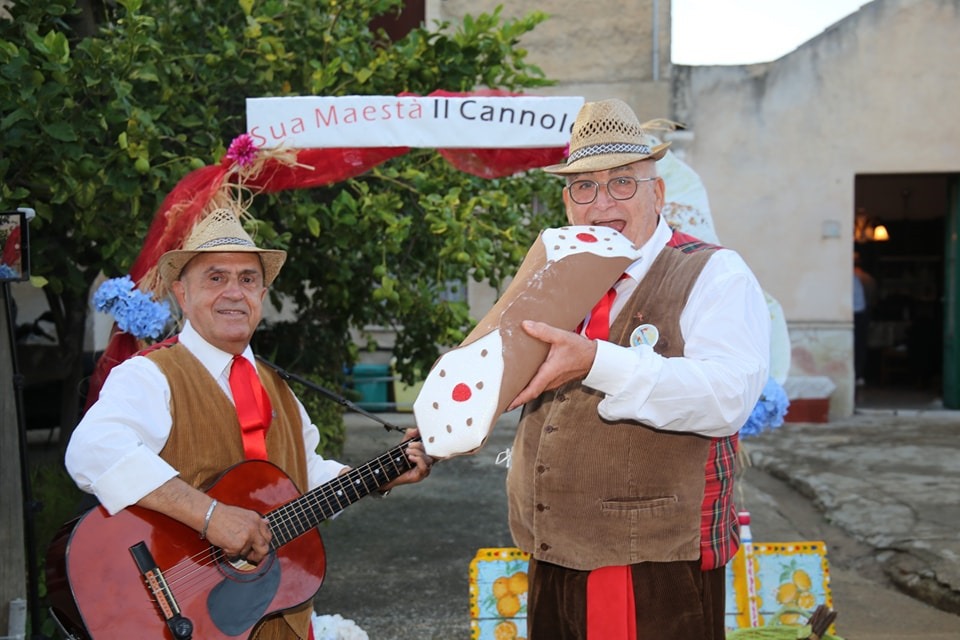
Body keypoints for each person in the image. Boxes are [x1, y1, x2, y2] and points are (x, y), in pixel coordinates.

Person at [65, 207, 432, 640]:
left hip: (280, 618)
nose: (234, 293)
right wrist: (210, 515)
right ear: (182, 294)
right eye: (216, 278)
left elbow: (303, 475)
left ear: (262, 294)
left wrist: (381, 476)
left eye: (248, 279)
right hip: (189, 619)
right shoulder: (150, 375)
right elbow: (92, 451)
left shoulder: (279, 388)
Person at [504, 99, 770, 639]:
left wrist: (596, 359)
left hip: (652, 562)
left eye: (622, 182)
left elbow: (727, 397)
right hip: (553, 550)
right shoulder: (557, 278)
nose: (602, 203)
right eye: (584, 187)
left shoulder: (716, 272)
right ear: (567, 201)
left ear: (658, 192)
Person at [853, 251, 877, 386]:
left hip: (859, 315)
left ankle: (858, 375)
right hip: (862, 314)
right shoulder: (868, 278)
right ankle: (859, 375)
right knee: (860, 346)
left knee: (858, 346)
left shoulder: (855, 278)